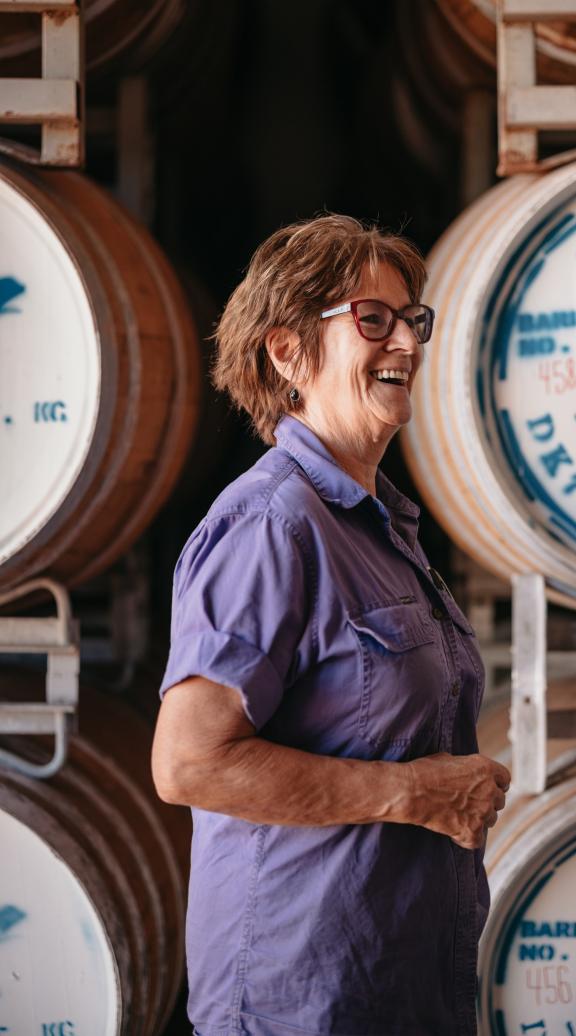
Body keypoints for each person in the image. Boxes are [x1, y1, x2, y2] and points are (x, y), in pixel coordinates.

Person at [151, 214, 510, 1036]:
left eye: (411, 320)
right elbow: (189, 762)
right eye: (370, 319)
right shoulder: (273, 524)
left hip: (392, 991)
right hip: (301, 1003)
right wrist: (413, 793)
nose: (406, 345)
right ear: (287, 353)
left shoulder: (376, 524)